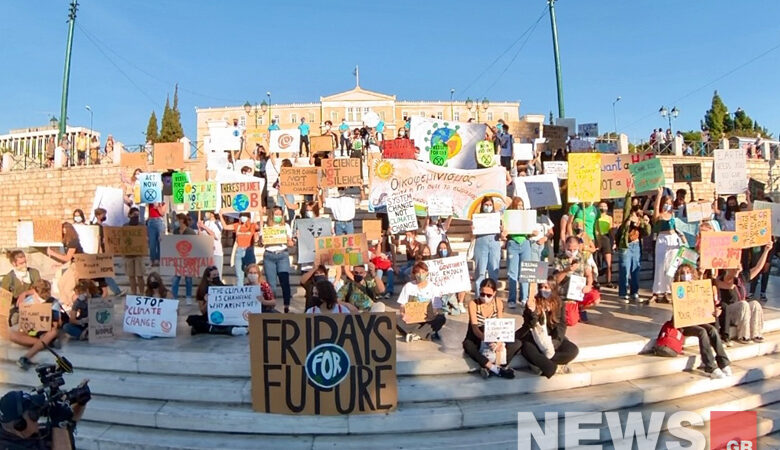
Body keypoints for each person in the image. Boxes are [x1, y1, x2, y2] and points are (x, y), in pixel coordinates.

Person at [672, 264, 732, 379]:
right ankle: (710, 366)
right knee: (702, 332)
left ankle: (723, 362)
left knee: (712, 330)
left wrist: (714, 311)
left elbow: (703, 302)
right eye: (683, 273)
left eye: (688, 273)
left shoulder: (696, 286)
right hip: (684, 321)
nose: (686, 275)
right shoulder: (677, 287)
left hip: (696, 319)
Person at [514, 278, 579, 378]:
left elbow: (562, 325)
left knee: (572, 350)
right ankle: (553, 367)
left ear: (552, 289)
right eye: (541, 287)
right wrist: (532, 311)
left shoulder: (559, 302)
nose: (543, 290)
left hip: (552, 336)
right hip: (534, 338)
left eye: (546, 287)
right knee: (528, 350)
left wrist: (555, 342)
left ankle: (544, 364)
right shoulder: (533, 302)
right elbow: (530, 324)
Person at [715, 244, 771, 344]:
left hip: (742, 311)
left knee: (755, 304)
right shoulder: (721, 278)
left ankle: (756, 333)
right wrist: (735, 273)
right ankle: (744, 335)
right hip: (729, 312)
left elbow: (758, 268)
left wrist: (766, 250)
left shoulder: (741, 277)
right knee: (744, 304)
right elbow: (730, 285)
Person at [462, 278, 515, 379]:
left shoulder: (498, 303)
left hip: (494, 334)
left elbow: (500, 324)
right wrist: (487, 339)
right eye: (482, 294)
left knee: (516, 343)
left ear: (494, 293)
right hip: (478, 335)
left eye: (488, 295)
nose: (485, 297)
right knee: (468, 345)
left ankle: (492, 366)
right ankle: (494, 368)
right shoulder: (473, 304)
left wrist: (499, 341)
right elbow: (475, 328)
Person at [0, 389, 88, 449]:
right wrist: (59, 424)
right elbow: (61, 427)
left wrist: (80, 402)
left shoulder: (27, 433)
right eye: (33, 415)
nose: (37, 419)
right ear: (19, 424)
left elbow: (69, 423)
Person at [12, 280, 63, 370]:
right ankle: (45, 343)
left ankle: (26, 357)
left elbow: (57, 324)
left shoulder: (53, 302)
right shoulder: (28, 301)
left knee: (53, 332)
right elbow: (23, 322)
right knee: (12, 334)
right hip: (32, 331)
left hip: (46, 331)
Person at [187, 266, 248, 336]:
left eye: (217, 275)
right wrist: (207, 302)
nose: (217, 277)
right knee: (192, 319)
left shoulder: (222, 287)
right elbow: (202, 311)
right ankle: (229, 330)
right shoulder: (202, 290)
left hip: (225, 314)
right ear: (208, 278)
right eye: (214, 275)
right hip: (211, 316)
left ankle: (212, 329)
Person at [396, 262, 446, 342]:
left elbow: (437, 306)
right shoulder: (408, 286)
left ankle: (416, 334)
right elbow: (402, 305)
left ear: (427, 273)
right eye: (418, 272)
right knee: (397, 321)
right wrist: (403, 314)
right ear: (414, 274)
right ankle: (425, 333)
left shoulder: (434, 288)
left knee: (441, 318)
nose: (420, 275)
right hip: (412, 319)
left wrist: (433, 312)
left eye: (423, 272)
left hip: (429, 319)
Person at [616, 194, 652, 303]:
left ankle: (634, 292)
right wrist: (628, 194)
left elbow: (647, 232)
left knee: (635, 270)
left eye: (638, 205)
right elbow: (626, 207)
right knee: (625, 270)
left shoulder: (640, 218)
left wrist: (645, 224)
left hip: (636, 245)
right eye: (634, 204)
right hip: (626, 245)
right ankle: (623, 293)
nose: (636, 207)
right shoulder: (627, 216)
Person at [554, 236, 599, 322]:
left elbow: (589, 274)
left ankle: (580, 308)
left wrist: (589, 286)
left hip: (579, 291)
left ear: (578, 247)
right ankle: (567, 310)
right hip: (565, 294)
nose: (572, 252)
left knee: (595, 298)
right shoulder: (558, 259)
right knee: (571, 320)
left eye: (574, 249)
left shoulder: (582, 257)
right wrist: (566, 270)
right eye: (569, 249)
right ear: (565, 246)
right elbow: (556, 280)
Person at [502, 197, 535, 309]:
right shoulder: (508, 216)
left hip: (525, 243)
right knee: (512, 272)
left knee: (525, 271)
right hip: (513, 243)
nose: (520, 207)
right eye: (518, 205)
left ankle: (524, 298)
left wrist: (533, 233)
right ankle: (512, 299)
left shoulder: (526, 216)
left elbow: (530, 231)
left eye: (521, 205)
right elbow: (503, 232)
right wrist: (504, 234)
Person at [651, 188, 682, 303]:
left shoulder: (673, 214)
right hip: (662, 240)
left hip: (673, 240)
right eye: (666, 203)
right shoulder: (659, 215)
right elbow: (655, 212)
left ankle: (669, 291)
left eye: (670, 204)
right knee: (660, 266)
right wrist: (659, 195)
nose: (668, 206)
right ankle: (658, 291)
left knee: (671, 267)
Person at [261, 207, 295, 312]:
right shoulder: (266, 226)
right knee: (271, 284)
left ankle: (286, 306)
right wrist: (261, 241)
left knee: (284, 280)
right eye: (276, 214)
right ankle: (272, 306)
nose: (278, 216)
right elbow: (260, 243)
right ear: (272, 215)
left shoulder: (286, 226)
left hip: (282, 255)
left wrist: (289, 240)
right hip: (269, 255)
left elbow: (291, 244)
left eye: (280, 214)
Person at [471, 197, 502, 295]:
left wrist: (502, 230)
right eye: (486, 205)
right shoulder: (477, 218)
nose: (488, 207)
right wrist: (472, 230)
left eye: (490, 205)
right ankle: (478, 296)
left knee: (494, 271)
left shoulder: (497, 218)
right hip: (481, 245)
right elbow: (472, 235)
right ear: (482, 205)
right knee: (480, 272)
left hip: (494, 244)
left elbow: (502, 235)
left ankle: (491, 295)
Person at [220, 212, 258, 287]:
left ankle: (253, 293)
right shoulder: (237, 225)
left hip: (249, 250)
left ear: (249, 217)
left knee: (253, 276)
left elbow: (260, 227)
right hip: (239, 251)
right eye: (241, 216)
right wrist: (220, 215)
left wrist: (259, 213)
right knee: (239, 276)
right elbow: (225, 227)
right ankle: (240, 294)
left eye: (245, 216)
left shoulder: (252, 225)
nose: (243, 217)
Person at [170, 214, 195, 304]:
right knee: (176, 278)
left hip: (188, 258)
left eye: (177, 220)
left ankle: (188, 297)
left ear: (181, 220)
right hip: (178, 258)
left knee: (188, 278)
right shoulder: (175, 231)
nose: (175, 222)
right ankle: (174, 297)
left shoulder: (190, 232)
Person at [123, 207, 146, 294]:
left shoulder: (141, 226)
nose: (136, 217)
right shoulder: (125, 226)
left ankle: (142, 293)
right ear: (129, 215)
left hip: (139, 255)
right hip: (128, 255)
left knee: (140, 275)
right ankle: (134, 292)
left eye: (137, 215)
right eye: (134, 215)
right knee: (131, 276)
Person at [198, 211, 224, 279]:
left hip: (216, 252)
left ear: (212, 214)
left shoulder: (217, 223)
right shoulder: (205, 223)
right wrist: (199, 228)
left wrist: (204, 227)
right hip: (207, 252)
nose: (206, 214)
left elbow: (215, 236)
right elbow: (201, 236)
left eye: (208, 212)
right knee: (207, 275)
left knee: (217, 275)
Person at [595, 201, 615, 288]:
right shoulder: (596, 217)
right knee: (596, 260)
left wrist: (613, 242)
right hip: (597, 238)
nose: (603, 208)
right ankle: (596, 281)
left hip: (606, 239)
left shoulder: (609, 218)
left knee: (608, 262)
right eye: (601, 206)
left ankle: (609, 281)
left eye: (605, 206)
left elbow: (611, 230)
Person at [146, 201, 167, 267]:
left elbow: (162, 213)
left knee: (160, 242)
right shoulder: (150, 201)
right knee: (152, 242)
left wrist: (158, 207)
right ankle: (152, 260)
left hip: (159, 221)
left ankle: (159, 259)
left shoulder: (163, 203)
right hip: (151, 221)